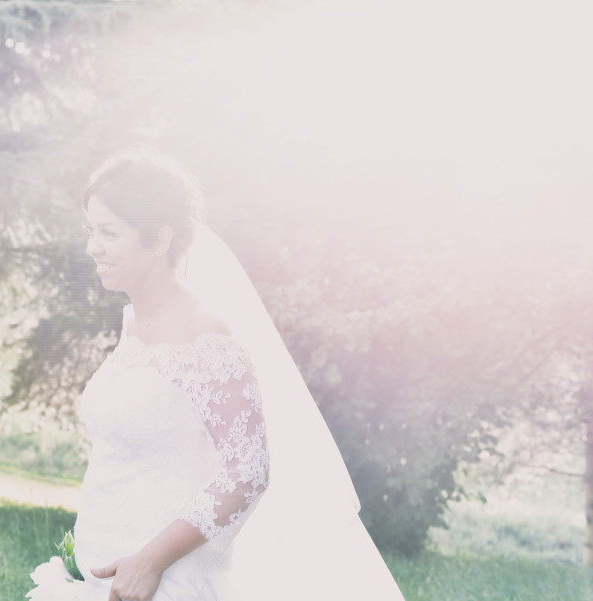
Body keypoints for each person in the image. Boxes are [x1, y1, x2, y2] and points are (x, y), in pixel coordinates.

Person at [27, 148, 404, 601]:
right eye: (90, 231)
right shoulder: (132, 325)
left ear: (159, 239)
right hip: (99, 566)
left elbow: (247, 471)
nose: (92, 247)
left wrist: (150, 561)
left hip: (165, 580)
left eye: (108, 232)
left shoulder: (206, 335)